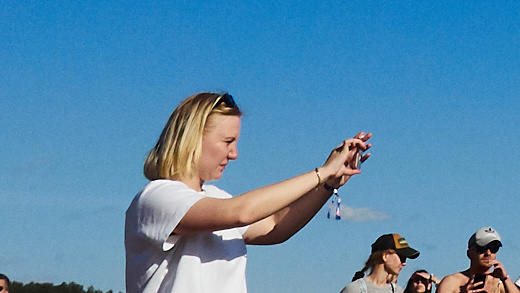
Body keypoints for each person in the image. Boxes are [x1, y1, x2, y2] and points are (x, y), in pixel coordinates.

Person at [125, 91, 372, 293]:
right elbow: (241, 212)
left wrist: (328, 185)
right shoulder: (156, 198)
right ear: (193, 138)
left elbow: (275, 226)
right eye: (227, 141)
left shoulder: (217, 197)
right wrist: (321, 172)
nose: (234, 154)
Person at [442, 230, 520, 293]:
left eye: (493, 248)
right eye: (482, 248)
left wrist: (505, 278)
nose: (488, 253)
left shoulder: (499, 284)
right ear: (470, 253)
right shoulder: (451, 282)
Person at [347, 236, 425, 293]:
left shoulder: (398, 291)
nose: (404, 263)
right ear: (385, 256)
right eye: (402, 257)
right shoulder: (354, 289)